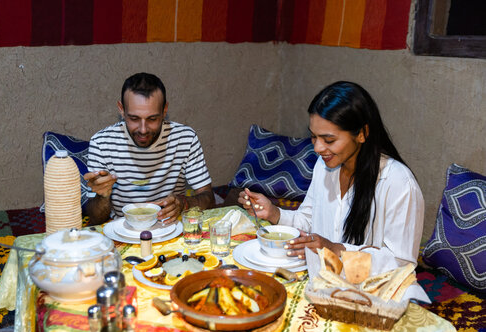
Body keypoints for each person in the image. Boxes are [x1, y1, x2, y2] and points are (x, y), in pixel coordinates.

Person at [239, 81, 424, 267]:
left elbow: (402, 263)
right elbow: (309, 221)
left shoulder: (397, 182)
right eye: (314, 136)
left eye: (329, 140)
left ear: (361, 133)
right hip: (325, 281)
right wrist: (274, 212)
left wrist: (337, 250)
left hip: (373, 292)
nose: (318, 148)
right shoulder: (325, 166)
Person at [84, 72, 215, 225]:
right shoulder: (102, 142)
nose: (143, 129)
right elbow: (94, 217)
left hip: (170, 228)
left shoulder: (185, 138)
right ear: (121, 109)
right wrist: (103, 196)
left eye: (152, 119)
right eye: (134, 118)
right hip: (122, 229)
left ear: (165, 110)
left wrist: (183, 203)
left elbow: (209, 199)